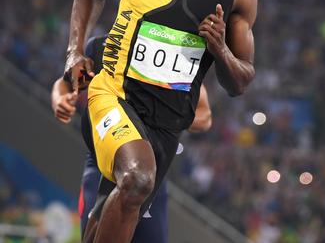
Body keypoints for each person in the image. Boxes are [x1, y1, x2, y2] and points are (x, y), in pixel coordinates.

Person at [62, 0, 257, 242]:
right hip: (113, 95)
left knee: (113, 205)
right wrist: (75, 51)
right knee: (137, 179)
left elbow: (240, 82)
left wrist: (220, 49)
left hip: (167, 125)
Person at [51, 34, 213, 242]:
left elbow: (204, 115)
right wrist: (60, 100)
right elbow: (68, 84)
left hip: (150, 169)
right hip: (103, 167)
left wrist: (167, 115)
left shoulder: (172, 52)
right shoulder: (108, 47)